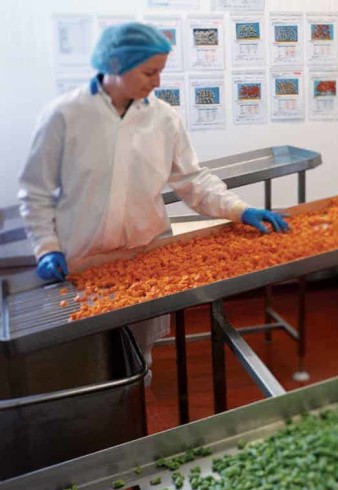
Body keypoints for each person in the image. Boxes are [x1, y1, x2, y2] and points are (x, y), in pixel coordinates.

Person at [18, 22, 289, 375]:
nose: (157, 82)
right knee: (88, 358)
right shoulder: (64, 116)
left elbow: (192, 180)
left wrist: (239, 209)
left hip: (146, 259)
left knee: (139, 357)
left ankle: (140, 411)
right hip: (82, 261)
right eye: (150, 71)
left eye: (160, 71)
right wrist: (46, 247)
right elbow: (35, 191)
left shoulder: (163, 118)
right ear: (116, 64)